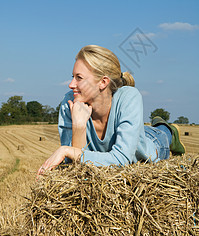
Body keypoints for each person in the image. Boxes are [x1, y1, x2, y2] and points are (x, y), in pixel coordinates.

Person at [37, 45, 185, 175]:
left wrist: (66, 150)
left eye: (79, 78)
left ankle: (169, 129)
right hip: (129, 133)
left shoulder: (129, 97)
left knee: (160, 134)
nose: (71, 84)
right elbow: (74, 169)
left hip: (152, 142)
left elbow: (122, 159)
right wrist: (79, 126)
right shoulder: (70, 102)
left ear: (103, 82)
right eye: (72, 77)